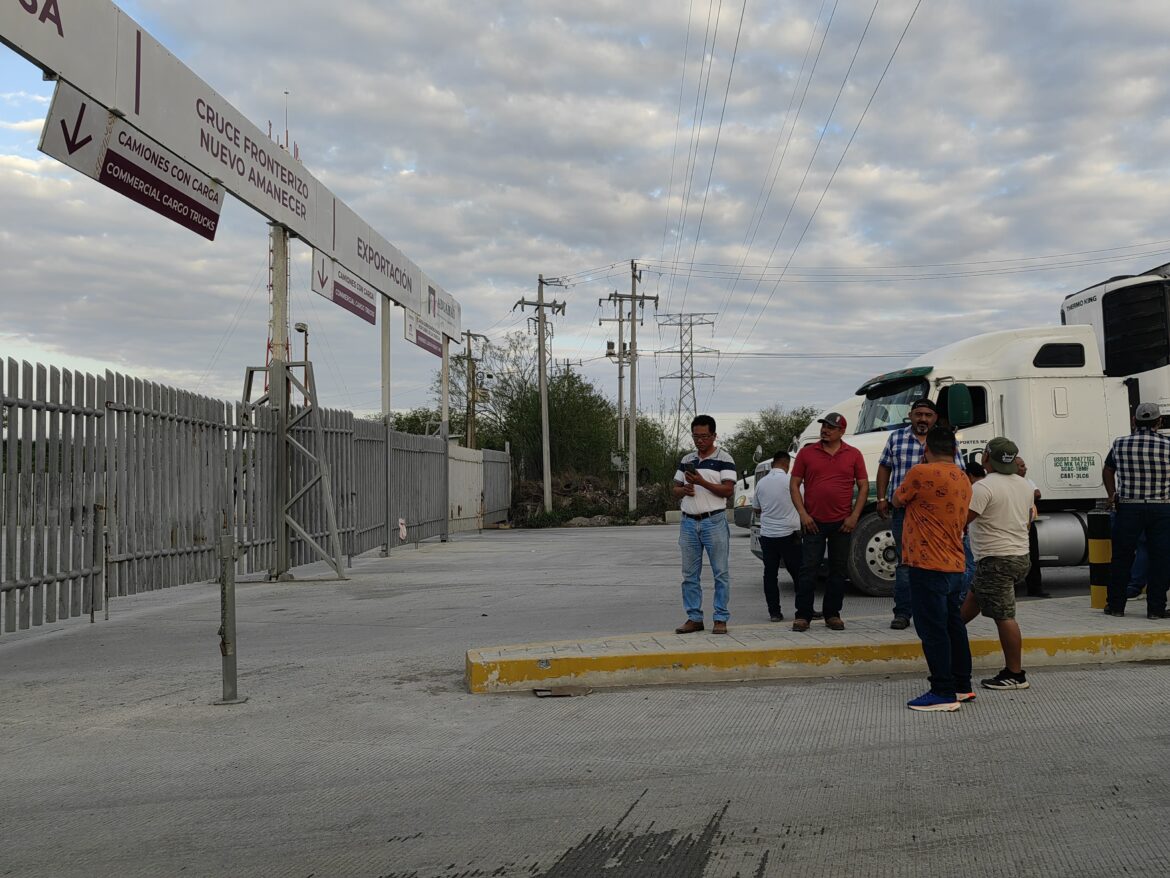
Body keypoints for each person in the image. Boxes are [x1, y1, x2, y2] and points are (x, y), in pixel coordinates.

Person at [892, 427, 973, 711]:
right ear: (954, 451)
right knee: (953, 625)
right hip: (955, 564)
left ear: (926, 450)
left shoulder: (920, 472)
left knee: (932, 629)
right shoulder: (963, 478)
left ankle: (942, 691)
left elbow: (897, 499)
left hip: (927, 563)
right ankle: (963, 685)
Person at [876, 398, 963, 630]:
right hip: (904, 512)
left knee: (941, 562)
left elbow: (959, 472)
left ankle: (940, 610)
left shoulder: (945, 440)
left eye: (928, 415)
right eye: (918, 414)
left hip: (939, 515)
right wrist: (882, 498)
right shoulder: (896, 438)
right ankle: (903, 613)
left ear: (934, 418)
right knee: (905, 562)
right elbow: (884, 466)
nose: (923, 419)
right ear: (910, 415)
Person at [961, 437, 1036, 690]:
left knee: (1005, 617)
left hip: (996, 559)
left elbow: (963, 520)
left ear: (985, 458)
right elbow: (1027, 519)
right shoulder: (1024, 485)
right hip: (1020, 556)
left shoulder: (984, 487)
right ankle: (947, 638)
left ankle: (1015, 674)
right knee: (969, 605)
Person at [789, 411, 869, 632]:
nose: (825, 430)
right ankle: (802, 615)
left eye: (831, 427)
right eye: (824, 426)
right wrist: (803, 514)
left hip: (842, 522)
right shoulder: (807, 453)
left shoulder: (853, 454)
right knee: (808, 569)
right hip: (812, 521)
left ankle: (832, 614)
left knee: (838, 570)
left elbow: (863, 487)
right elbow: (794, 484)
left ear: (841, 431)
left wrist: (854, 516)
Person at [1102, 403, 1170, 619]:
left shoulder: (1120, 443)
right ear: (1159, 422)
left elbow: (1108, 469)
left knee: (1122, 556)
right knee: (1161, 558)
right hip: (1162, 508)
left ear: (1134, 420)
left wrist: (1112, 495)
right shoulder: (1168, 444)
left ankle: (1115, 606)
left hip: (1129, 507)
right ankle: (1156, 609)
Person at [672, 415, 737, 634]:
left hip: (714, 521)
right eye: (696, 436)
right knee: (689, 574)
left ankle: (720, 618)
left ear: (714, 436)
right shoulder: (687, 459)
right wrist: (685, 490)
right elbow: (675, 489)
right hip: (689, 522)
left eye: (704, 436)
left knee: (720, 573)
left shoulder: (724, 459)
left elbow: (728, 490)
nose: (700, 441)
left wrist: (701, 482)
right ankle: (694, 618)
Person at [753, 450, 802, 622]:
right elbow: (803, 502)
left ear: (774, 463)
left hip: (768, 535)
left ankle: (774, 613)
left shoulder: (761, 483)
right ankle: (803, 611)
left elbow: (757, 509)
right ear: (787, 465)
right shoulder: (792, 481)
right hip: (790, 534)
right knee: (798, 574)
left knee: (770, 574)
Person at [1016, 457, 1050, 597]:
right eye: (1022, 466)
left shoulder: (1027, 481)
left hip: (1029, 524)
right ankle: (1011, 588)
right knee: (1013, 557)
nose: (1026, 468)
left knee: (1033, 557)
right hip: (1014, 525)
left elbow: (1037, 494)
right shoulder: (1009, 482)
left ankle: (1035, 587)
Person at [960, 461, 986, 600]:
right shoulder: (989, 486)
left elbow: (967, 515)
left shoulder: (974, 489)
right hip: (986, 535)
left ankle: (962, 597)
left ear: (969, 475)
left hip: (973, 534)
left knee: (969, 568)